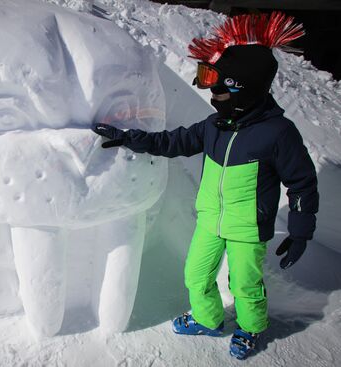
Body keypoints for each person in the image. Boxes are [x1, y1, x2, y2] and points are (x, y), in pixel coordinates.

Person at [91, 12, 319, 360]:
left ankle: (251, 327)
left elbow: (302, 183)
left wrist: (300, 232)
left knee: (244, 285)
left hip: (248, 227)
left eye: (218, 83)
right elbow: (173, 142)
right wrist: (129, 138)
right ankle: (207, 318)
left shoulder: (277, 134)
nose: (212, 90)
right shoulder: (215, 126)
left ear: (242, 88)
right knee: (196, 274)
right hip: (210, 220)